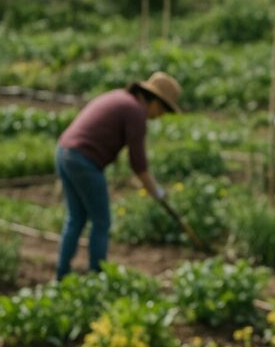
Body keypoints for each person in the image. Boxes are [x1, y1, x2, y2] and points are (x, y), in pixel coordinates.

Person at [55, 71, 181, 280]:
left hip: (64, 152)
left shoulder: (121, 98)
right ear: (154, 101)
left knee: (76, 218)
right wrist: (157, 192)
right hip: (83, 161)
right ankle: (97, 277)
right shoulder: (135, 111)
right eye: (163, 110)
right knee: (101, 222)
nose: (160, 116)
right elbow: (138, 164)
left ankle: (61, 275)